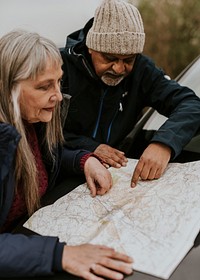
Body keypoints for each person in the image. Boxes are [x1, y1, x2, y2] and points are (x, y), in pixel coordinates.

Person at [0, 30, 133, 279]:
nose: (59, 96)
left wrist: (85, 161)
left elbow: (48, 158)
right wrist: (60, 255)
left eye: (59, 82)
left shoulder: (31, 121)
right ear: (6, 87)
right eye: (44, 86)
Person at [60, 0, 200, 187]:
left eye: (128, 59)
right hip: (62, 174)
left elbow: (191, 105)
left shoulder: (142, 70)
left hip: (114, 177)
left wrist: (164, 143)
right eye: (109, 58)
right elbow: (40, 134)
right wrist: (91, 148)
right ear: (91, 47)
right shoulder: (58, 68)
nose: (119, 69)